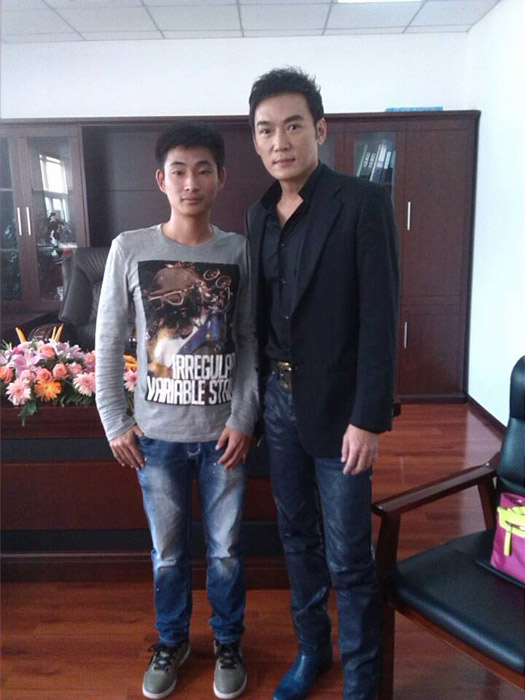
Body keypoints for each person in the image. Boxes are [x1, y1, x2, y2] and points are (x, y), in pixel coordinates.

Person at [246, 68, 399, 700]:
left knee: (348, 554)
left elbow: (380, 319)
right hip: (278, 402)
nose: (279, 141)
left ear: (321, 129)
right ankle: (314, 651)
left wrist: (368, 417)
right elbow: (258, 321)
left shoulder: (361, 203)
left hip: (341, 411)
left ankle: (362, 677)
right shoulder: (258, 215)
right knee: (296, 537)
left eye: (292, 126)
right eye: (265, 130)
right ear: (256, 141)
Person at [95, 122, 258, 700]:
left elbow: (248, 340)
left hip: (223, 438)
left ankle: (228, 641)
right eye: (180, 171)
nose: (192, 182)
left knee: (226, 551)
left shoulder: (238, 251)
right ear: (161, 180)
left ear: (221, 178)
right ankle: (172, 641)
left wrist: (244, 416)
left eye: (203, 170)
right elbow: (109, 339)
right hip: (157, 437)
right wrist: (114, 419)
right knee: (167, 553)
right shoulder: (129, 248)